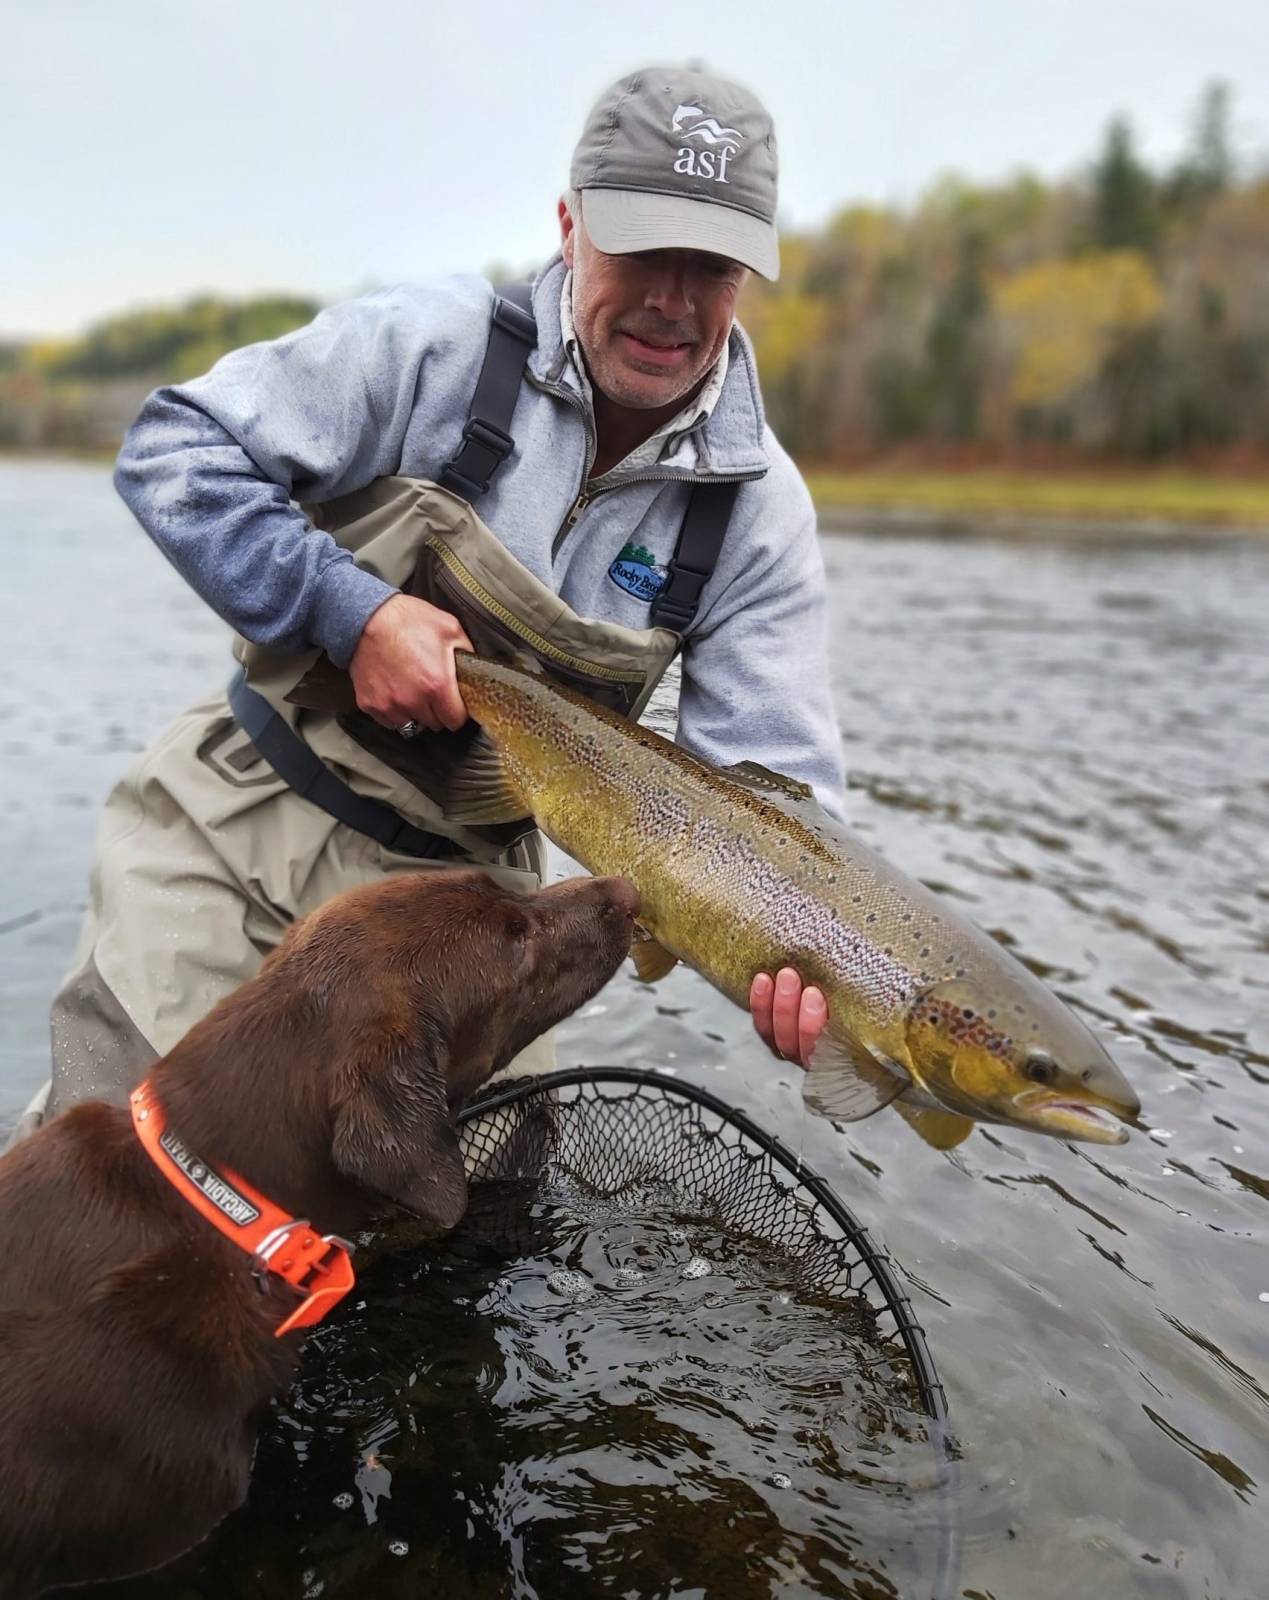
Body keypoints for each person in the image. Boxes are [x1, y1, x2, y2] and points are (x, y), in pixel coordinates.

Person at [17, 63, 842, 1144]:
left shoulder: (760, 514)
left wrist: (813, 968)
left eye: (714, 264)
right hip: (252, 822)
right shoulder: (433, 344)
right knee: (113, 1183)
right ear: (570, 224)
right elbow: (176, 448)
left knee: (452, 1233)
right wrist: (348, 609)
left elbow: (774, 809)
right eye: (646, 248)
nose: (674, 300)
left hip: (477, 912)